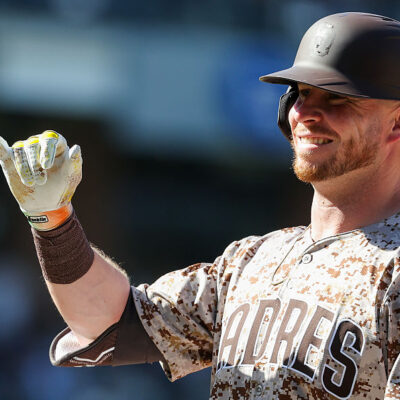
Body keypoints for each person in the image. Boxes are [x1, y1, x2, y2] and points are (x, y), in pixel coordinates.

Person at [1, 11, 400, 399]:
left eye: (339, 100)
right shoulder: (249, 262)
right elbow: (109, 322)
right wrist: (54, 222)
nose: (309, 113)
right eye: (303, 94)